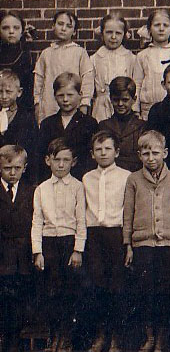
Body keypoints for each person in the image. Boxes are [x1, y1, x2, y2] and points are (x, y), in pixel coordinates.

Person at [123, 130, 170, 352]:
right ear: (139, 155)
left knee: (166, 293)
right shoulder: (133, 179)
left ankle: (162, 339)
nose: (151, 158)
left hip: (168, 246)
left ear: (165, 153)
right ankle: (149, 337)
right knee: (145, 292)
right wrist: (128, 244)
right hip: (143, 245)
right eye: (146, 153)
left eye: (156, 153)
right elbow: (128, 213)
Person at [32, 138, 86, 352]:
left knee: (69, 292)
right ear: (48, 161)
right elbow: (37, 220)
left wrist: (78, 250)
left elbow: (81, 219)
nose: (61, 165)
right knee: (51, 292)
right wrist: (38, 251)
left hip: (69, 243)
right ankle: (52, 338)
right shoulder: (42, 189)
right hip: (49, 244)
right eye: (57, 160)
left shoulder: (78, 187)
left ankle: (66, 338)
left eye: (66, 160)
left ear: (74, 162)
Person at [81, 130, 130, 352]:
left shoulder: (126, 176)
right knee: (97, 287)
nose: (103, 153)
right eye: (98, 149)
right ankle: (100, 335)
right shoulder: (86, 178)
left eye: (108, 148)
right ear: (92, 154)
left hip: (116, 235)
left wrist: (127, 241)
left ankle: (116, 340)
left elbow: (128, 210)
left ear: (117, 152)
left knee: (117, 288)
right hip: (94, 237)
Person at [0, 145, 35, 352]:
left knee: (19, 300)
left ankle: (15, 341)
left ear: (25, 168)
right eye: (7, 168)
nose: (12, 173)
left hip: (22, 256)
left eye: (17, 168)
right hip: (2, 255)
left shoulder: (31, 190)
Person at [33, 11, 93, 123]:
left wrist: (84, 103)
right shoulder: (46, 53)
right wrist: (37, 102)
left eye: (69, 26)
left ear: (74, 31)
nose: (63, 28)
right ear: (53, 26)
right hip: (50, 102)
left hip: (72, 102)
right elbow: (39, 80)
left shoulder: (79, 52)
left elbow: (87, 78)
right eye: (60, 24)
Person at [37, 72, 98, 181]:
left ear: (80, 94)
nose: (65, 99)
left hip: (80, 179)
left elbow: (90, 159)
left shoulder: (89, 123)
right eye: (61, 95)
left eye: (70, 95)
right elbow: (42, 157)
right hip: (52, 180)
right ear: (55, 96)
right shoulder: (47, 124)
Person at [132, 9, 170, 120]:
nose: (161, 29)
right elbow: (137, 84)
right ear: (149, 29)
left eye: (165, 25)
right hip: (148, 109)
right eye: (157, 25)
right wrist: (135, 109)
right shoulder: (143, 55)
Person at [91, 12, 136, 122]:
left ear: (124, 35)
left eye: (118, 33)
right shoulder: (94, 58)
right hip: (101, 108)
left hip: (124, 106)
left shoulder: (131, 58)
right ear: (102, 34)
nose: (113, 37)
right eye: (109, 32)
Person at [97, 76, 146, 172]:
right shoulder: (103, 126)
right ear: (110, 99)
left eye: (125, 100)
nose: (120, 104)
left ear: (134, 99)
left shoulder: (142, 126)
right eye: (116, 100)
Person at [0, 69, 38, 182]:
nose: (4, 96)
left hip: (18, 175)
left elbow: (32, 149)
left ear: (19, 92)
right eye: (0, 92)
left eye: (8, 91)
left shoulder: (26, 118)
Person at [0, 11, 34, 111]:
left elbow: (28, 85)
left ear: (22, 30)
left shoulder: (25, 54)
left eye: (16, 28)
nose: (11, 31)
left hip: (21, 106)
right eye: (5, 28)